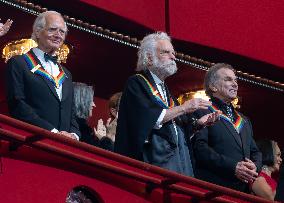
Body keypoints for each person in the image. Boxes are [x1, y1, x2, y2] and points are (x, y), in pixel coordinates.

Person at [115, 32, 220, 176]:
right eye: (166, 52)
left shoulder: (166, 91)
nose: (173, 57)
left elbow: (175, 129)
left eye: (173, 53)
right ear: (150, 58)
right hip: (155, 160)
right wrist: (185, 107)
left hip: (180, 160)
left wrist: (197, 125)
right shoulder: (137, 83)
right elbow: (150, 118)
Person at [5, 11, 80, 139]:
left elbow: (70, 113)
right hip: (31, 142)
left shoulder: (67, 74)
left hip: (64, 148)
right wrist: (52, 132)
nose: (58, 35)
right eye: (52, 29)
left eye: (62, 32)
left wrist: (73, 135)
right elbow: (17, 105)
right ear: (38, 32)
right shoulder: (19, 62)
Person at [192, 63, 262, 192]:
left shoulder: (244, 120)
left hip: (242, 191)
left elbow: (255, 152)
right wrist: (233, 167)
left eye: (235, 80)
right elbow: (200, 149)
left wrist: (255, 166)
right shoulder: (202, 111)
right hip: (213, 188)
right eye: (228, 79)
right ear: (213, 86)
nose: (235, 84)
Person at [73, 82, 114, 151]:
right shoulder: (79, 130)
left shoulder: (81, 128)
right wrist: (105, 139)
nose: (94, 105)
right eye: (90, 101)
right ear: (80, 101)